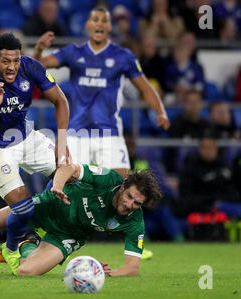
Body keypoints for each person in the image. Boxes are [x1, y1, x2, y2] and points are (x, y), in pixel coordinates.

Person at [0, 163, 163, 277]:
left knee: (26, 271)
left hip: (67, 236)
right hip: (48, 204)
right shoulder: (108, 180)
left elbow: (133, 267)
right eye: (129, 196)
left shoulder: (134, 221)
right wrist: (57, 187)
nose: (129, 204)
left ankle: (28, 240)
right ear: (123, 187)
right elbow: (68, 168)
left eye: (136, 203)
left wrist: (107, 274)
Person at [0, 32, 69, 254]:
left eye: (16, 60)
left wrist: (61, 140)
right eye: (5, 61)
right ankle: (11, 248)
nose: (12, 67)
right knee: (22, 207)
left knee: (69, 174)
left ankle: (40, 226)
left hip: (24, 137)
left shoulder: (31, 67)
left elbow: (60, 100)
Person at [33, 6, 170, 179]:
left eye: (104, 20)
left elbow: (145, 88)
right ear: (88, 25)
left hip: (109, 132)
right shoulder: (73, 52)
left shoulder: (123, 56)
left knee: (120, 183)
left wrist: (160, 111)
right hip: (78, 133)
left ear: (110, 26)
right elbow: (38, 65)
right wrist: (38, 49)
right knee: (71, 185)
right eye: (95, 20)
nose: (99, 24)